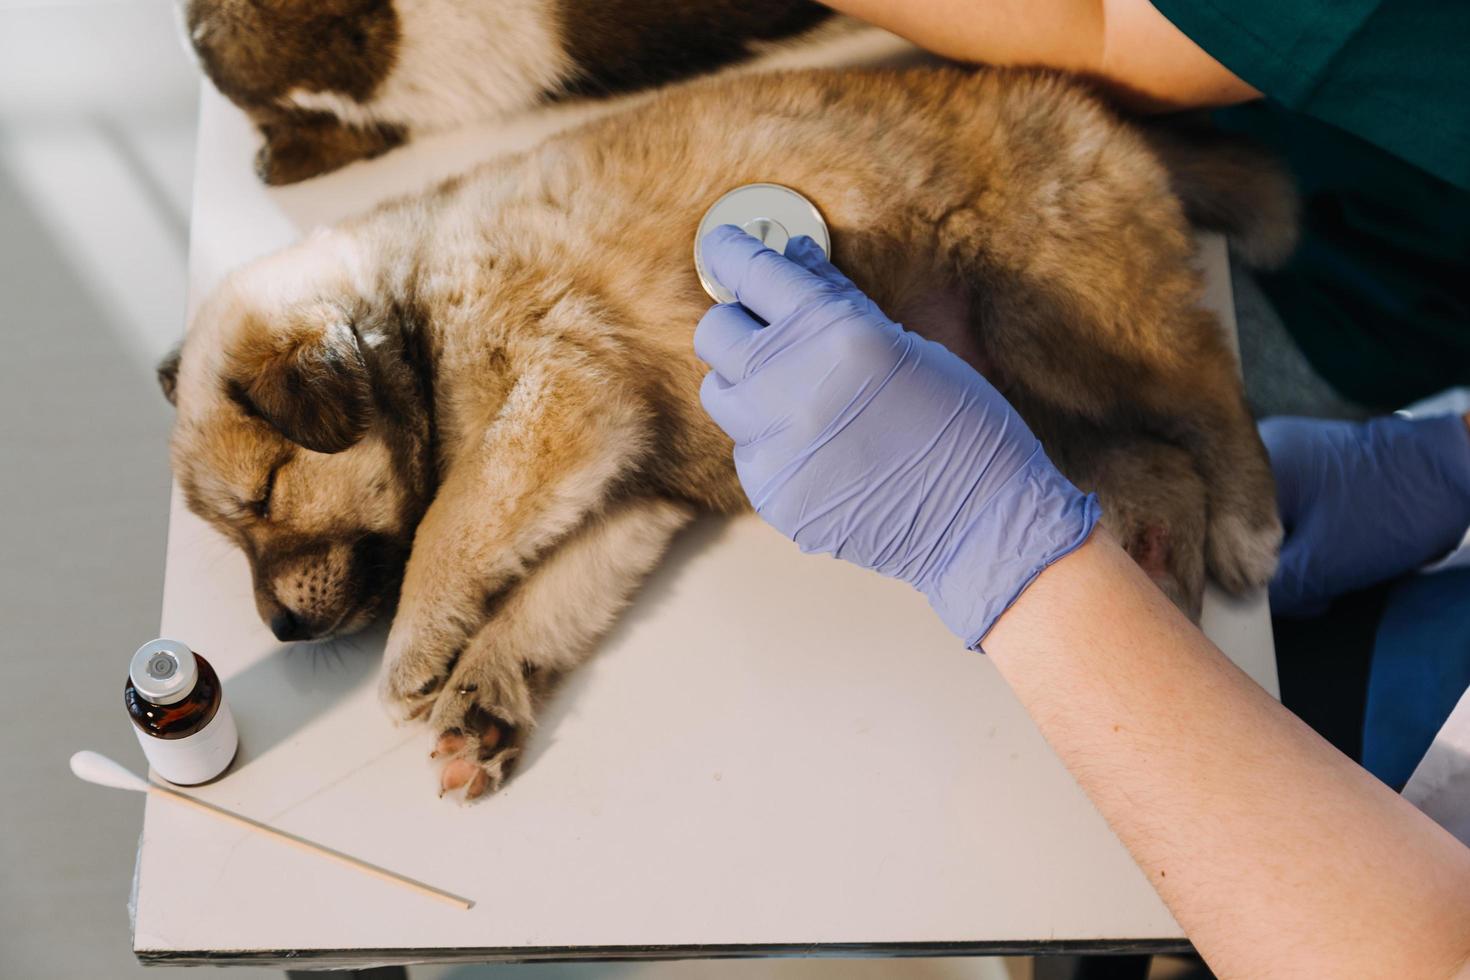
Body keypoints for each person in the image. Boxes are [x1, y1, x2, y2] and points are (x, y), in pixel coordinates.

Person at [694, 226, 1470, 978]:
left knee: (1034, 843)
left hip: (1370, 863)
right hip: (1426, 634)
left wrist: (984, 536)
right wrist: (1452, 458)